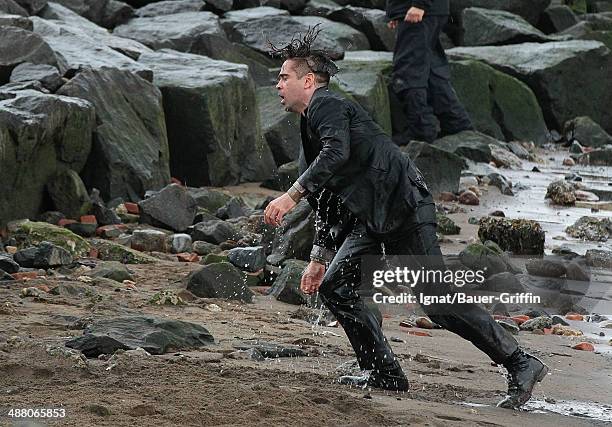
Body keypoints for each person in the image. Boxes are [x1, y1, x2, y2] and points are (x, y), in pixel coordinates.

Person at [263, 27, 548, 409]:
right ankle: (384, 371)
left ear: (309, 81)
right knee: (335, 287)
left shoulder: (328, 105)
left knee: (438, 302)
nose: (278, 84)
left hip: (406, 208)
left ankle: (520, 362)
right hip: (373, 220)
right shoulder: (309, 125)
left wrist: (289, 194)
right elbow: (325, 196)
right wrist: (317, 258)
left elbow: (336, 154)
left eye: (284, 76)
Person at [386, 0, 473, 143]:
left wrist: (419, 5)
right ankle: (456, 123)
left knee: (409, 71)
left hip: (420, 10)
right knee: (432, 72)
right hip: (425, 10)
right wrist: (394, 11)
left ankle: (421, 129)